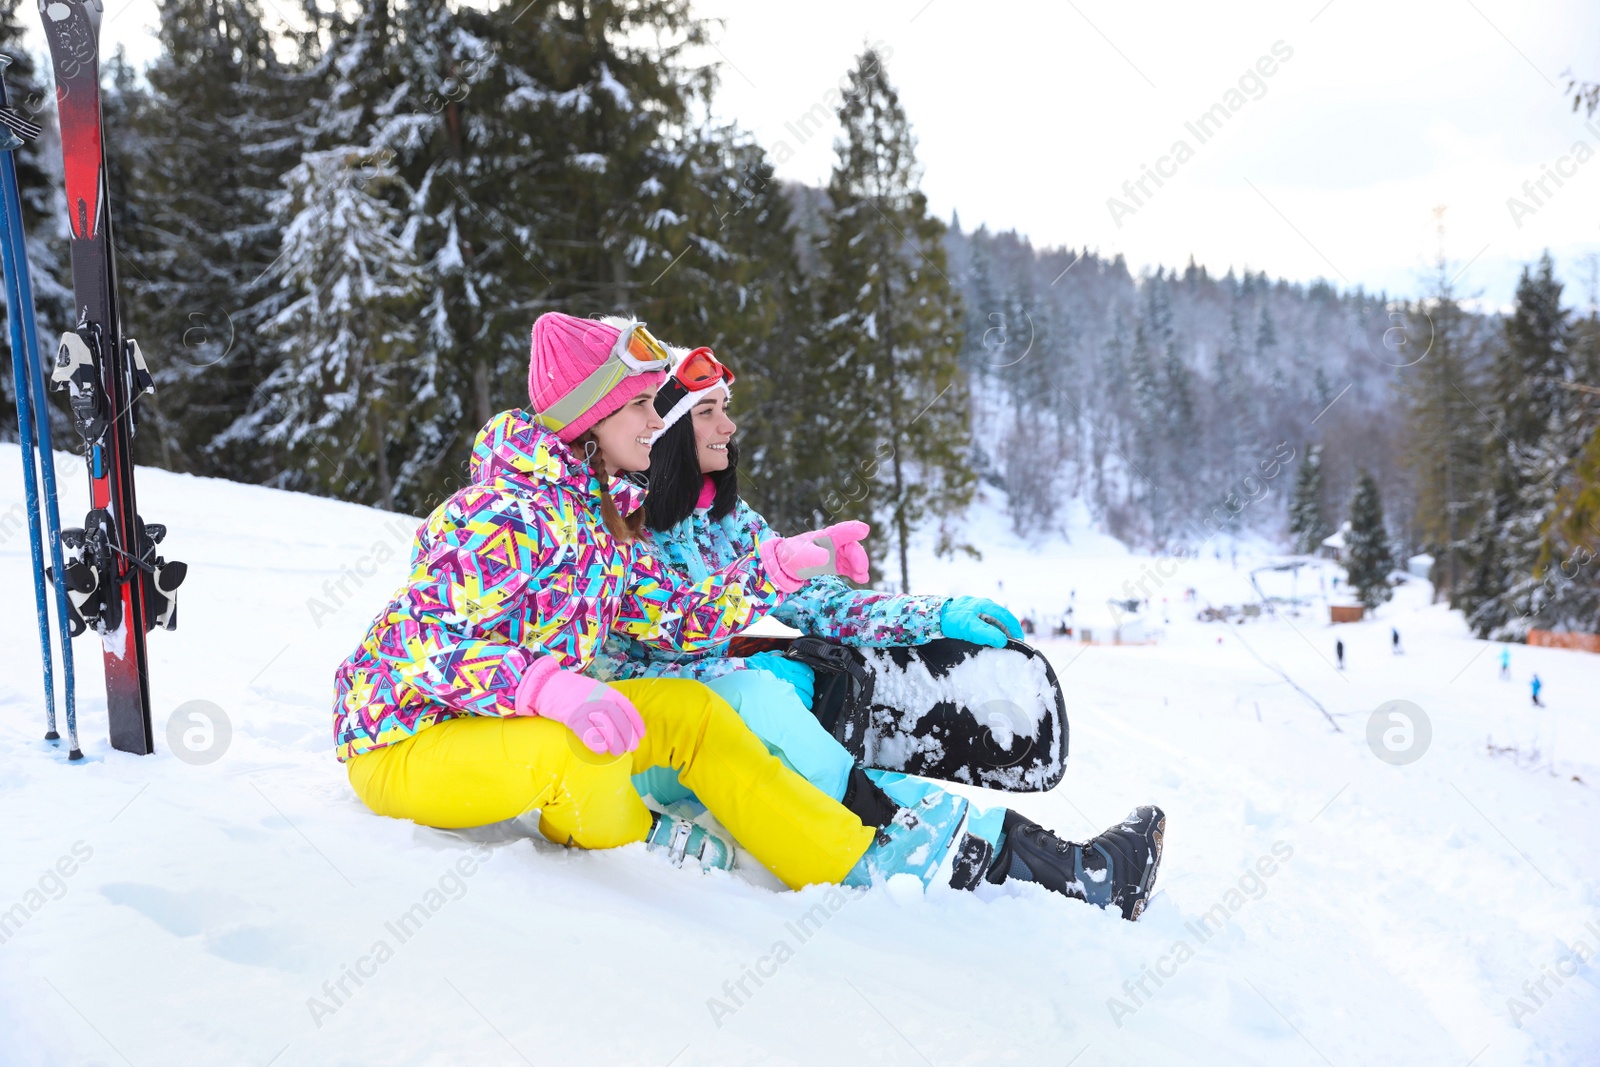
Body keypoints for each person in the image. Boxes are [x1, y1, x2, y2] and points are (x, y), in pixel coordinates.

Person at [332, 313, 924, 891]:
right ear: (593, 418)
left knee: (694, 713)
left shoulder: (601, 518)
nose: (655, 418)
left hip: (504, 723)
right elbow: (420, 643)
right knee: (580, 749)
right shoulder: (501, 513)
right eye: (641, 404)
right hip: (405, 740)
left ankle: (841, 860)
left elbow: (674, 622)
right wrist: (542, 687)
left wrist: (775, 569)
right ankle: (640, 842)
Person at [590, 343, 1165, 920]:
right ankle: (1059, 870)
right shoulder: (615, 518)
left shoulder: (720, 517)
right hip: (650, 736)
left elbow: (813, 602)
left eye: (724, 407)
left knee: (810, 668)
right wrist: (773, 586)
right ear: (659, 429)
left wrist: (933, 617)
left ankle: (876, 786)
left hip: (710, 706)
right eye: (707, 411)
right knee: (772, 703)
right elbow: (673, 630)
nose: (729, 426)